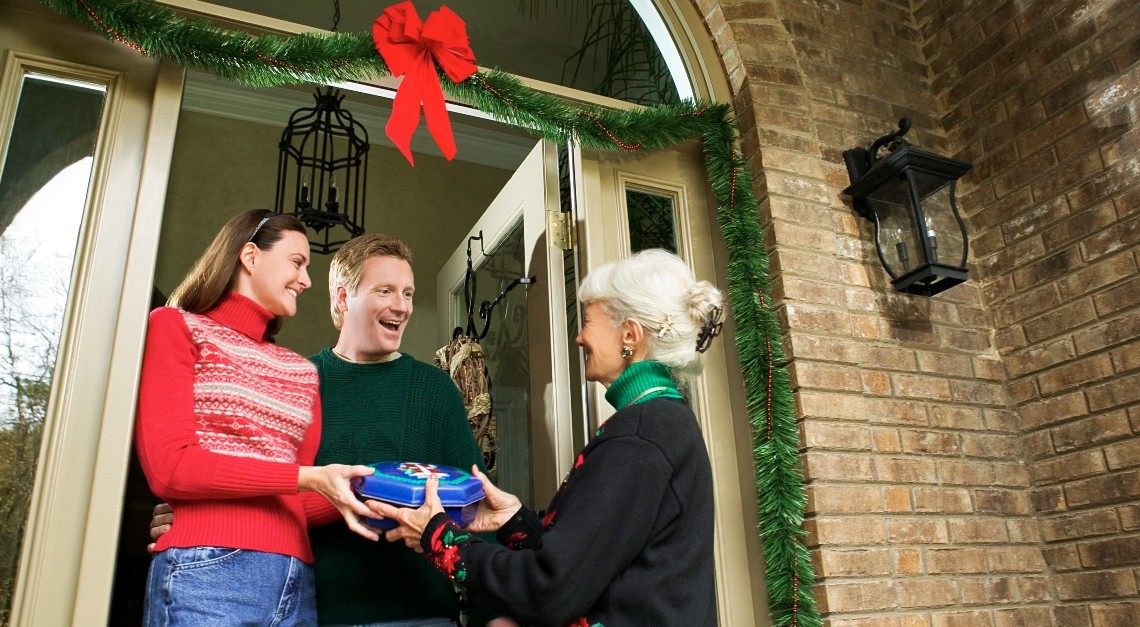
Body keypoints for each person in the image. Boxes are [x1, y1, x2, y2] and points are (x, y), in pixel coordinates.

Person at [149, 233, 511, 627]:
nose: (402, 306)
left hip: (418, 612)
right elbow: (251, 480)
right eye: (385, 290)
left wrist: (495, 611)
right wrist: (195, 514)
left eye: (407, 293)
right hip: (307, 608)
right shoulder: (290, 378)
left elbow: (476, 500)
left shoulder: (434, 389)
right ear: (342, 298)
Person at [369, 248, 723, 627]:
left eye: (588, 321)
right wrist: (514, 522)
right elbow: (590, 559)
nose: (579, 337)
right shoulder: (663, 423)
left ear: (630, 335)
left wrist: (438, 537)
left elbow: (549, 591)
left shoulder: (640, 436)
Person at [136, 209, 379, 626]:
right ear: (250, 256)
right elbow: (171, 468)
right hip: (207, 573)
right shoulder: (177, 327)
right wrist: (306, 477)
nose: (305, 281)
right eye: (297, 262)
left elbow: (296, 500)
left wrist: (372, 491)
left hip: (294, 581)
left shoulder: (302, 372)